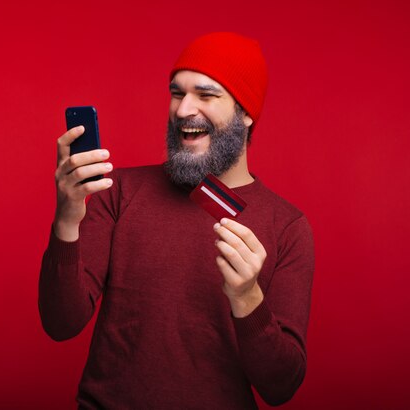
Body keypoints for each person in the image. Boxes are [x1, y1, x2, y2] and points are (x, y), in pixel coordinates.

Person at [39, 32, 315, 409]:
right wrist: (68, 218)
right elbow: (61, 322)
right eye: (177, 93)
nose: (184, 110)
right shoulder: (118, 191)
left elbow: (281, 387)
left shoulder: (287, 227)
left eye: (206, 95)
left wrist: (248, 297)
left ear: (246, 112)